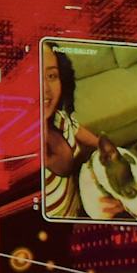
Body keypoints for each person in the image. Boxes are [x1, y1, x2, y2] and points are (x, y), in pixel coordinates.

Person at [40, 42, 117, 219]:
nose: (45, 89)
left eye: (51, 76)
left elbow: (79, 131)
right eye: (32, 76)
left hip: (82, 208)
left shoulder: (59, 118)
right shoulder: (17, 159)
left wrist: (113, 154)